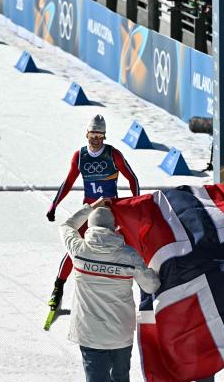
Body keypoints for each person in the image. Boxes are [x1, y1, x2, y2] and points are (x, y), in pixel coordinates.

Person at [59, 198, 160, 382]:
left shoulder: (78, 250)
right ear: (114, 227)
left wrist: (91, 207)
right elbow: (151, 285)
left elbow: (67, 225)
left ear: (90, 226)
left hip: (90, 335)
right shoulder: (129, 256)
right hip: (121, 334)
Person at [46, 115, 140, 309]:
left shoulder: (114, 154)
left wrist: (136, 202)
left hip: (112, 211)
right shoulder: (80, 156)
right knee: (75, 249)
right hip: (90, 211)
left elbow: (133, 179)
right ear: (86, 134)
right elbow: (68, 182)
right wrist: (54, 204)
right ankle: (58, 288)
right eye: (93, 135)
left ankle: (142, 291)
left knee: (129, 248)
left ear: (104, 136)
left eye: (100, 135)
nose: (96, 139)